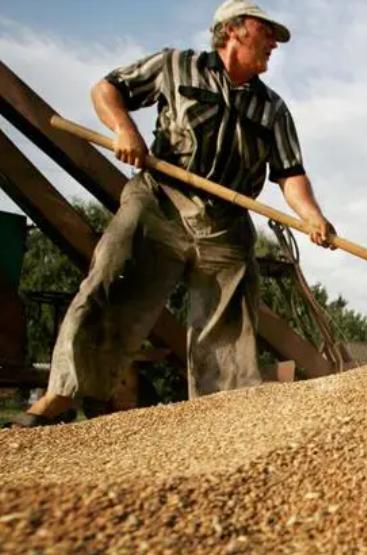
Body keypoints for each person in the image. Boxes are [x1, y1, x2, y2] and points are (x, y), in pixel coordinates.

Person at [10, 0, 335, 427]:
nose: (274, 42)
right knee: (112, 282)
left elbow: (291, 173)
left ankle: (221, 417)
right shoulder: (174, 66)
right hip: (160, 201)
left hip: (225, 221)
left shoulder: (272, 109)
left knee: (229, 324)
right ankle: (62, 396)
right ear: (234, 30)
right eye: (266, 31)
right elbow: (106, 89)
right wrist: (124, 129)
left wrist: (312, 216)